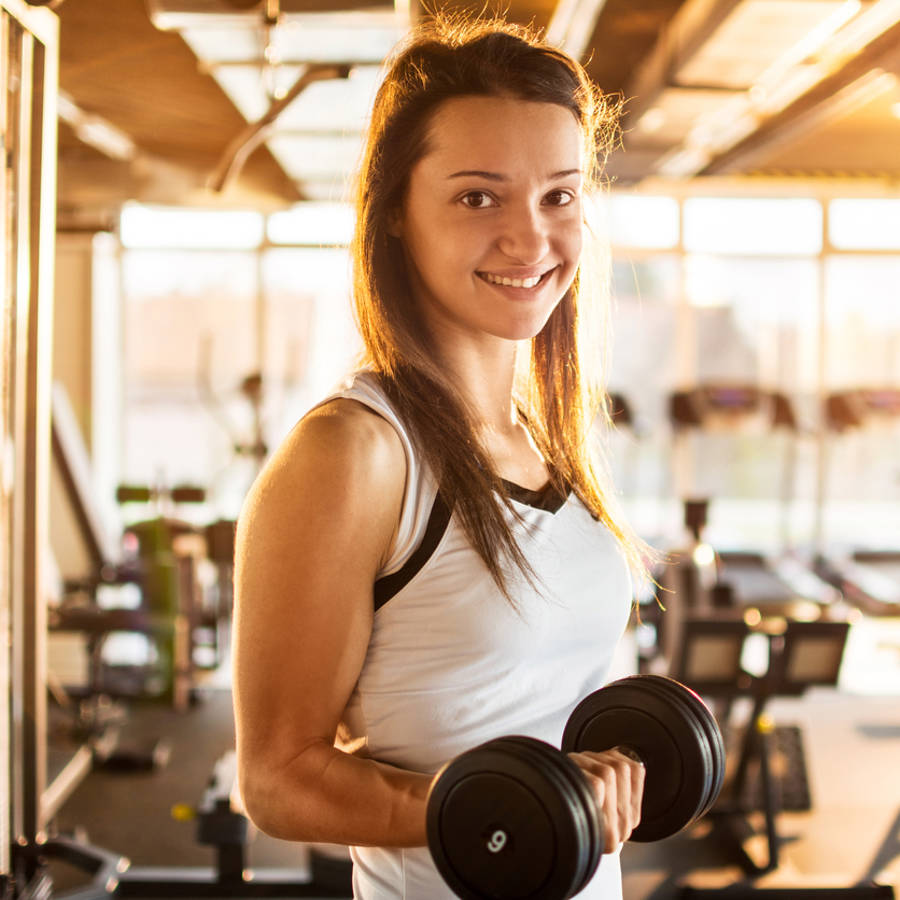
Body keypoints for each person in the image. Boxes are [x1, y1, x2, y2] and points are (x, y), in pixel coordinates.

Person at [233, 16, 650, 899]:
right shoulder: (356, 452)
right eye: (477, 197)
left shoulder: (546, 443)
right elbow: (276, 779)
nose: (531, 240)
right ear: (393, 216)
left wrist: (591, 787)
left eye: (559, 196)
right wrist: (507, 803)